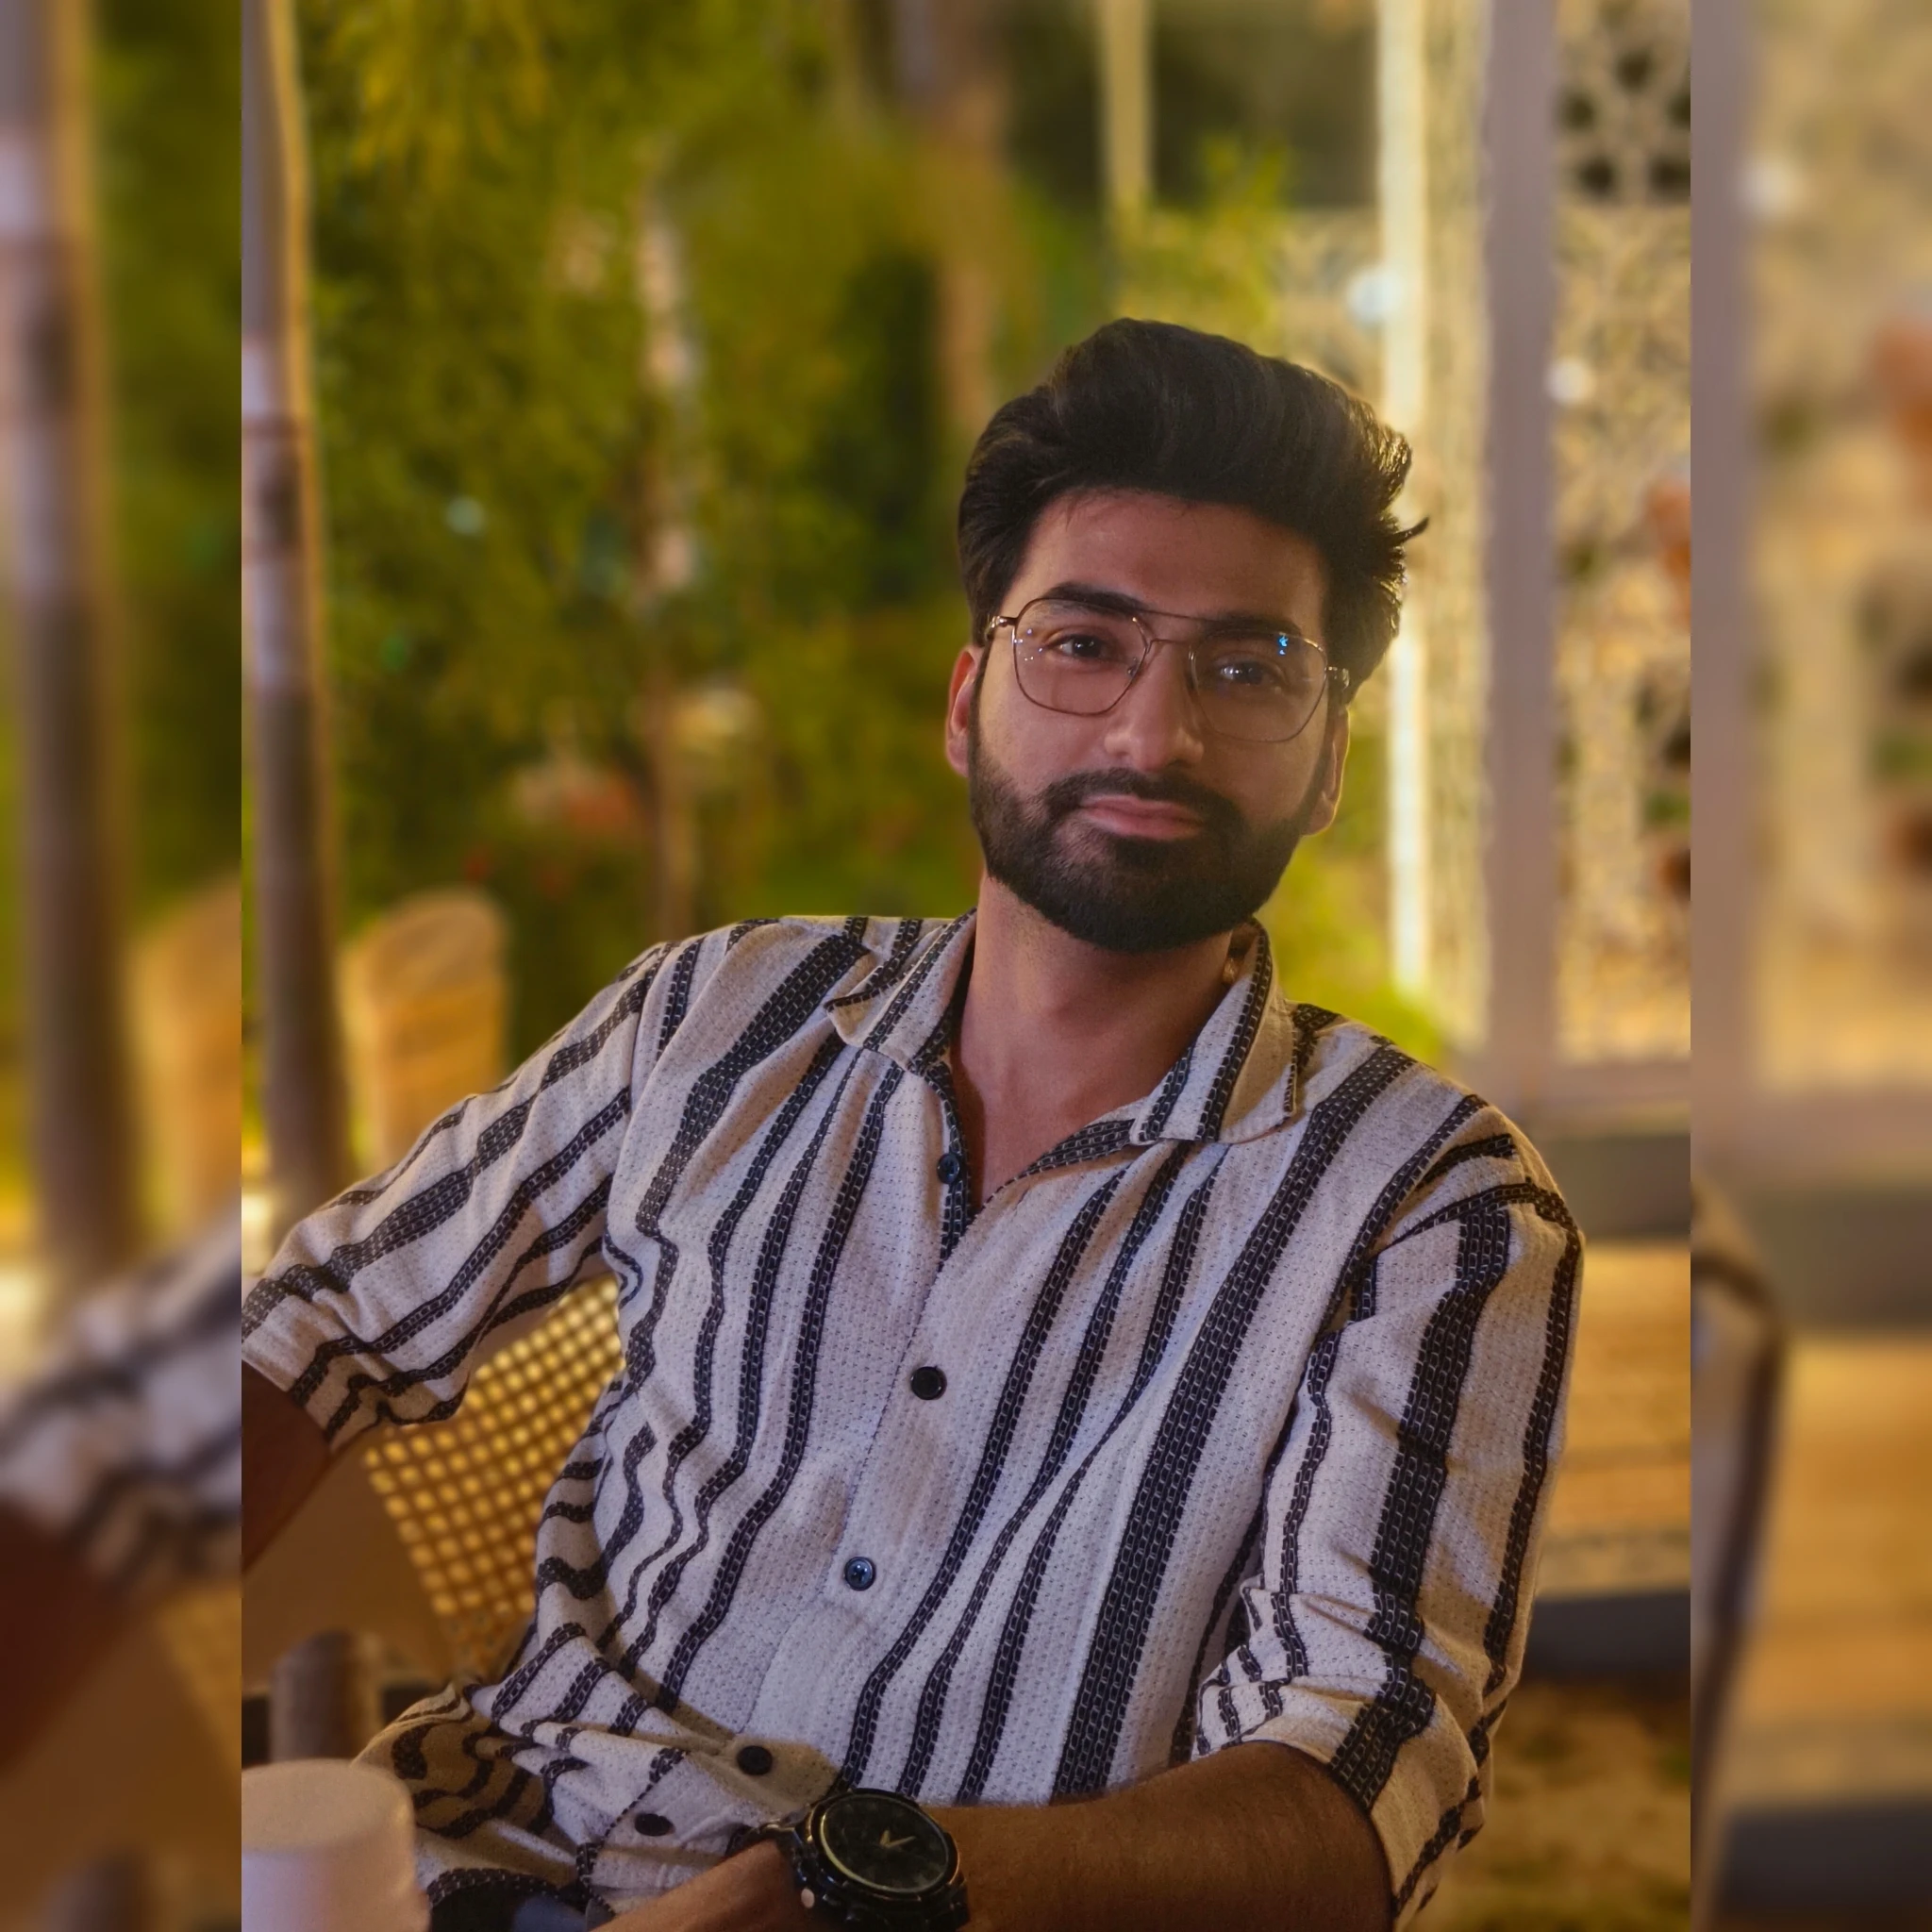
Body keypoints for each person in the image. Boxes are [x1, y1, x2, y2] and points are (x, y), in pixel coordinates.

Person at [243, 319, 1579, 1932]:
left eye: (1248, 669)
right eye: (1081, 642)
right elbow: (313, 1329)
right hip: (483, 1865)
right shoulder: (717, 1018)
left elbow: (1358, 1791)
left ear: (1330, 762)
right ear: (967, 702)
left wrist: (849, 1890)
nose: (1152, 735)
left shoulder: (1429, 1211)